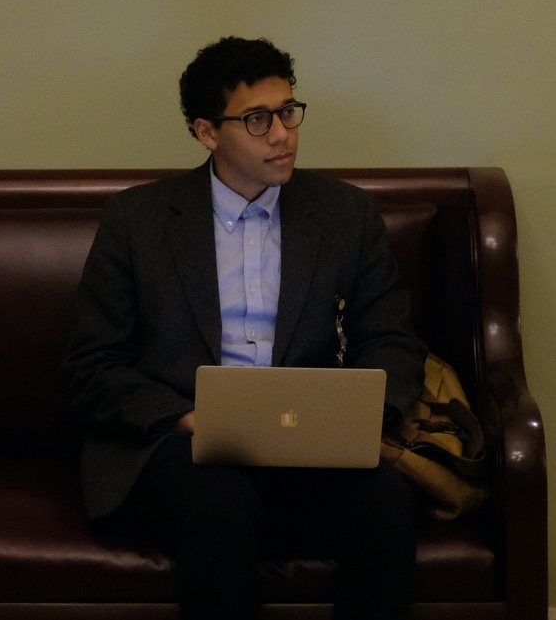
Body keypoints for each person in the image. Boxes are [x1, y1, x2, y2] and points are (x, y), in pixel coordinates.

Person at [61, 36, 427, 619]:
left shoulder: (345, 216)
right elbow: (94, 366)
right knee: (222, 499)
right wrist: (188, 419)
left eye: (288, 111)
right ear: (207, 132)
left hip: (310, 443)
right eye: (258, 119)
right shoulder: (138, 221)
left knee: (383, 500)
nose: (282, 133)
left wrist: (349, 419)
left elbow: (392, 342)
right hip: (181, 447)